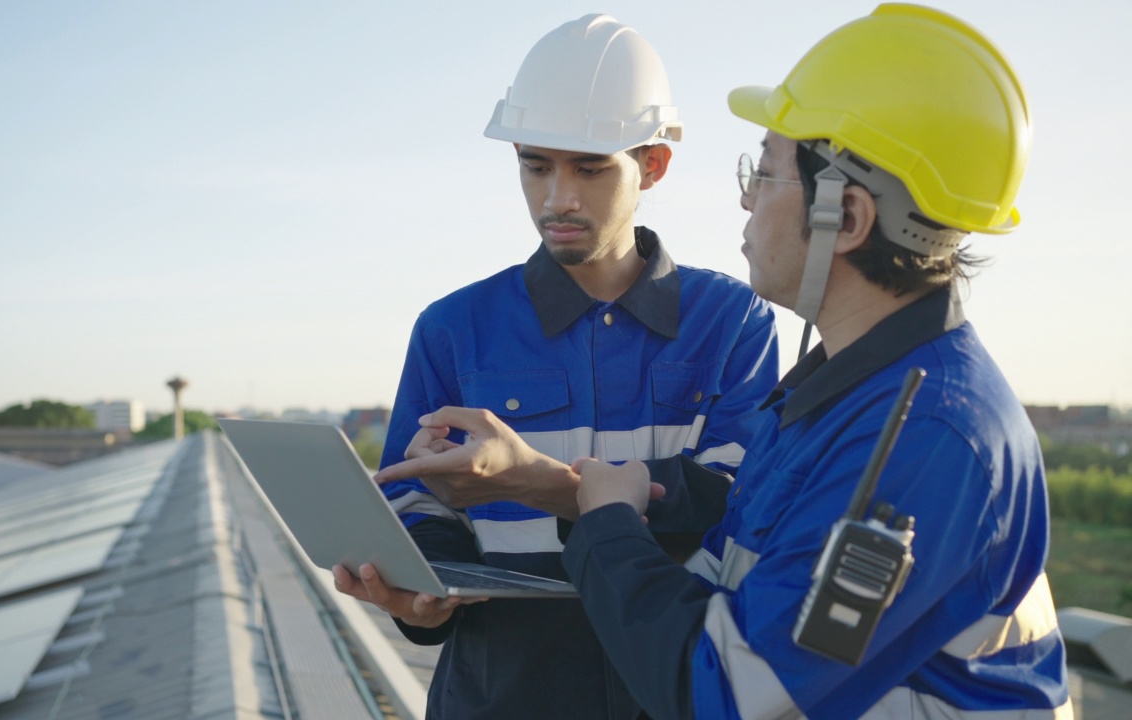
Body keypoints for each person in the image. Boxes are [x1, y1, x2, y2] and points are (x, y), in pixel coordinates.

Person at [560, 4, 1073, 719]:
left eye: (764, 172)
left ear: (848, 218)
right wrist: (607, 497)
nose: (744, 199)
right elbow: (728, 591)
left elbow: (729, 696)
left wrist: (607, 525)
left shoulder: (923, 437)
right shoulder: (840, 395)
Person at [333, 13, 780, 720]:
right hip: (498, 697)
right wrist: (420, 595)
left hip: (669, 695)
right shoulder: (452, 328)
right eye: (535, 165)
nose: (557, 198)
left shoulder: (732, 321)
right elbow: (410, 506)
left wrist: (540, 485)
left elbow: (737, 505)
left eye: (589, 167)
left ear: (653, 165)